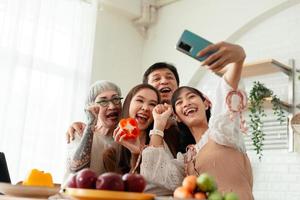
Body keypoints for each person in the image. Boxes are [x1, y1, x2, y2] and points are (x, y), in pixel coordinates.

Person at [140, 42, 253, 199]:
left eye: (191, 96)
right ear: (177, 116)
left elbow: (227, 91)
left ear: (206, 103)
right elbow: (156, 173)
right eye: (179, 102)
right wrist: (158, 124)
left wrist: (238, 59)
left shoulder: (222, 131)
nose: (186, 103)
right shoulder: (187, 158)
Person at [63, 80, 122, 183]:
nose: (112, 106)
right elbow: (77, 173)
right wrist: (91, 123)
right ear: (91, 107)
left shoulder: (124, 141)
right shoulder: (79, 132)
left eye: (116, 99)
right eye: (103, 101)